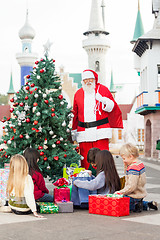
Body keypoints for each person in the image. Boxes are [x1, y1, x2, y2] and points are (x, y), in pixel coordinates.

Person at [71, 69, 123, 169]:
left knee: (102, 158)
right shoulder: (78, 94)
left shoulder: (102, 90)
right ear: (82, 81)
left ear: (94, 79)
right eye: (86, 80)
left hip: (100, 131)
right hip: (84, 132)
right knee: (85, 159)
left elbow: (112, 106)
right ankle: (87, 179)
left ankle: (104, 178)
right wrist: (73, 131)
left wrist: (103, 100)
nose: (88, 81)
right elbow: (75, 114)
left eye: (90, 79)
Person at [114, 143, 158, 212]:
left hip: (133, 196)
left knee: (118, 205)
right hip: (140, 194)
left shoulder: (133, 168)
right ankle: (146, 204)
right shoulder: (139, 164)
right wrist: (126, 165)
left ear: (131, 156)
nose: (123, 161)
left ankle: (137, 206)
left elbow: (131, 186)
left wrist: (121, 192)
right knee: (134, 202)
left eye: (124, 158)